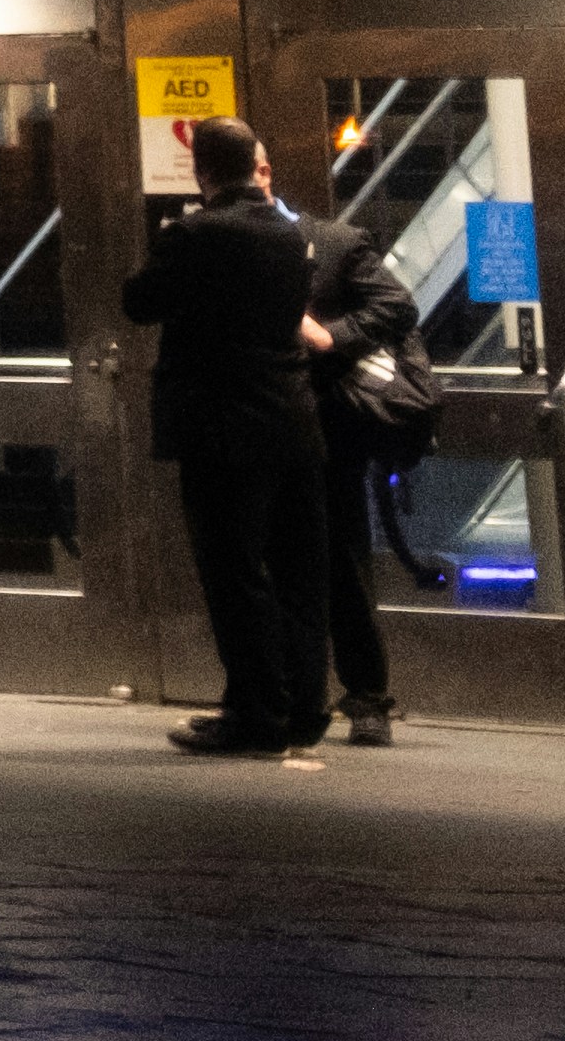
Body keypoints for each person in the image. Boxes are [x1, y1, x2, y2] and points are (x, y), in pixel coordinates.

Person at [117, 118, 329, 752]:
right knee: (296, 573)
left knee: (235, 575)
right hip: (293, 419)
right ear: (252, 164)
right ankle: (304, 710)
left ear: (199, 169)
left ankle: (257, 717)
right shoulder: (291, 235)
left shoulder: (194, 233)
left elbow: (139, 301)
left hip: (222, 427)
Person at [301, 194, 430, 750]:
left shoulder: (332, 243)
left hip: (328, 428)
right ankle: (291, 697)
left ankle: (367, 696)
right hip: (257, 421)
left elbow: (396, 308)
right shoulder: (221, 247)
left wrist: (330, 336)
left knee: (343, 564)